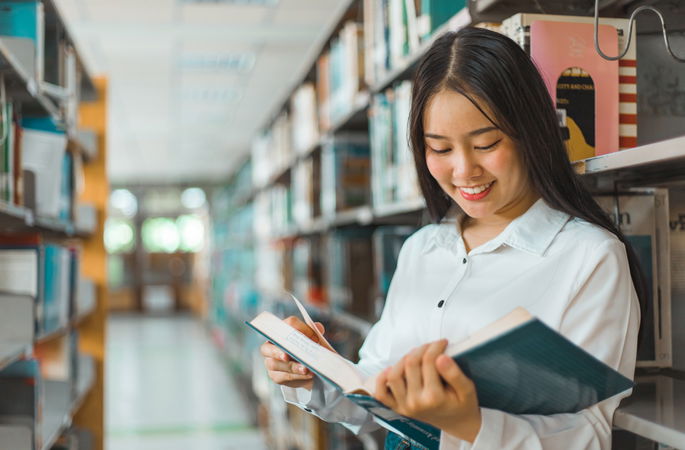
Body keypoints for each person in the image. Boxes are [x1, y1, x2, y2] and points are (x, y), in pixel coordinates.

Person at [259, 26, 644, 450]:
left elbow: (589, 435)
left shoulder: (590, 258)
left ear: (531, 133)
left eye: (486, 143)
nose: (464, 171)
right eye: (440, 149)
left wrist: (469, 424)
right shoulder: (421, 249)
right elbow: (377, 394)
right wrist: (317, 371)